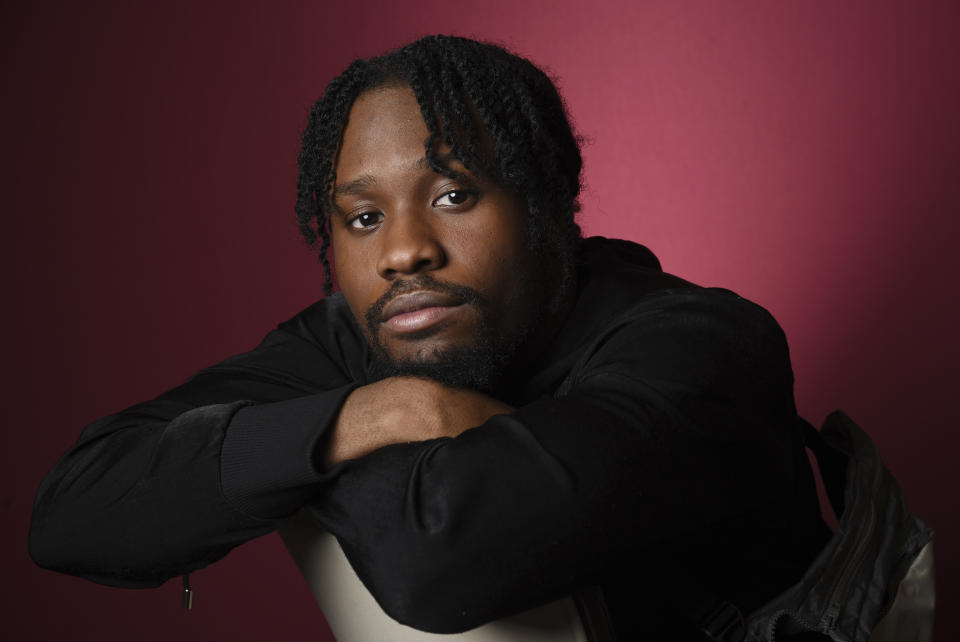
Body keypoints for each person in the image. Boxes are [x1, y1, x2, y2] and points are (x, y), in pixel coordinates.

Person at [29, 35, 831, 640]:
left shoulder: (704, 348)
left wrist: (282, 454)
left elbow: (438, 558)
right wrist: (370, 416)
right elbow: (75, 512)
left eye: (453, 195)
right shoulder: (364, 340)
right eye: (364, 218)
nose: (403, 251)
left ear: (550, 202)